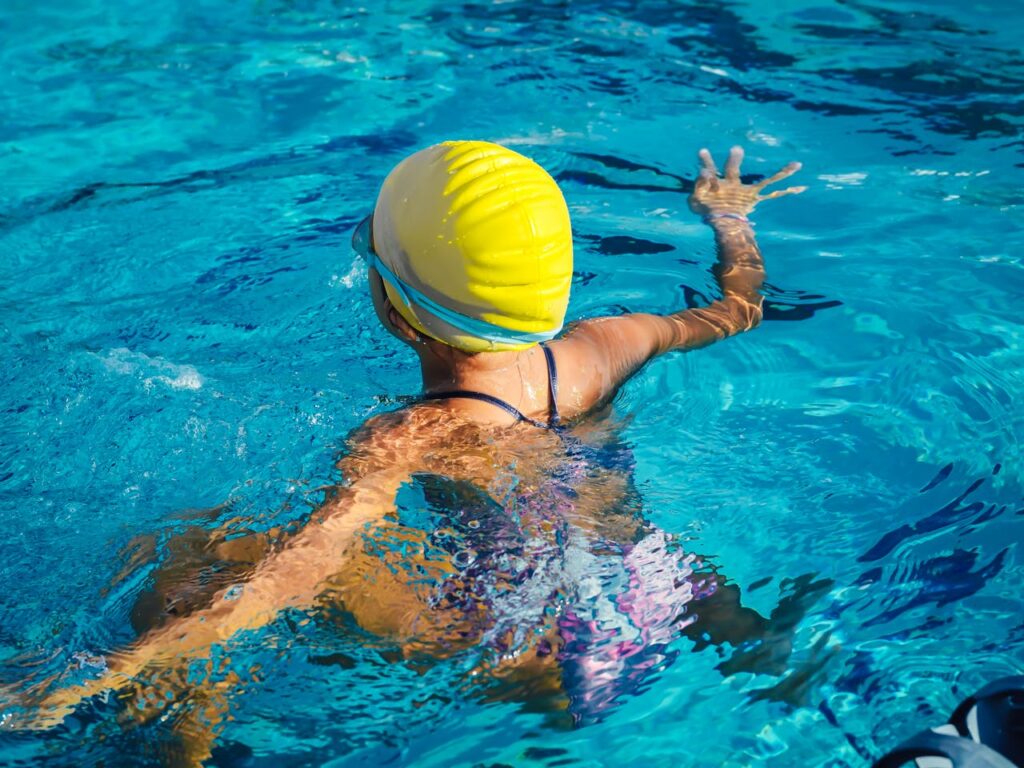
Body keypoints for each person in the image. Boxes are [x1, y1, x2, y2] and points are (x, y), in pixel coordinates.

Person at [6, 142, 807, 762]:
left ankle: (164, 738)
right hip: (665, 599)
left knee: (191, 549)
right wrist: (729, 218)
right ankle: (760, 648)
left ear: (396, 307)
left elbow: (306, 564)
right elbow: (738, 309)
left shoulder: (409, 436)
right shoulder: (606, 345)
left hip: (537, 656)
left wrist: (95, 673)